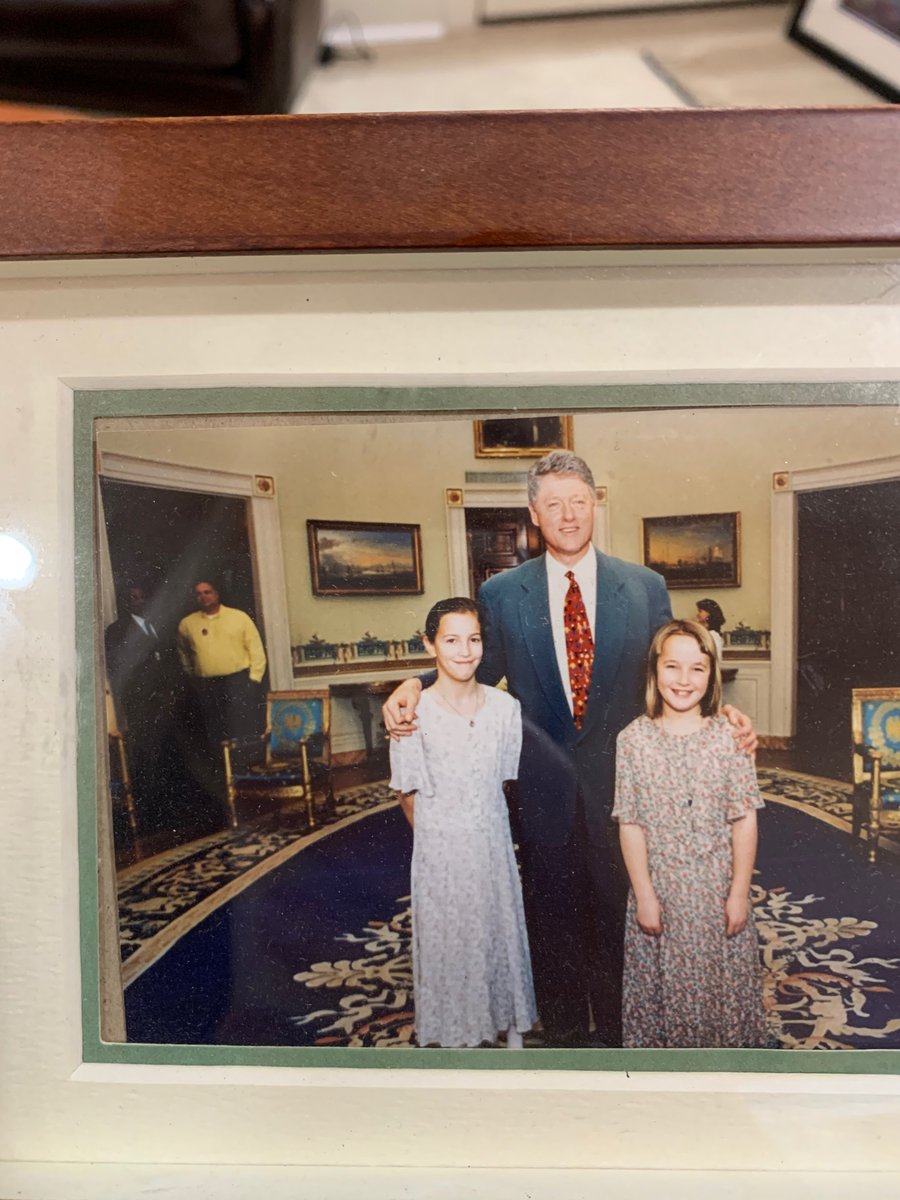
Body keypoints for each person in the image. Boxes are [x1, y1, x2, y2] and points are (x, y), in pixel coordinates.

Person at [384, 450, 756, 1047]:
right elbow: (475, 666)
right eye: (552, 503)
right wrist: (414, 683)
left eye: (578, 501)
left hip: (625, 791)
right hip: (544, 791)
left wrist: (723, 712)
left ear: (595, 505)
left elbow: (667, 674)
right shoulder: (503, 593)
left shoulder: (644, 586)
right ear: (534, 514)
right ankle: (557, 1034)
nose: (567, 514)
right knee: (549, 913)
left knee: (621, 910)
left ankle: (618, 1030)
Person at [390, 597, 536, 1049]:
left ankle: (509, 1026)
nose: (464, 651)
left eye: (473, 640)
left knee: (498, 932)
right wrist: (443, 845)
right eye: (451, 640)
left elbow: (505, 782)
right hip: (441, 851)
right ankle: (456, 1037)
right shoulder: (411, 713)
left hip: (492, 844)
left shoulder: (505, 708)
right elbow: (408, 795)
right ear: (430, 644)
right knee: (452, 943)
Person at [612, 619, 766, 1048]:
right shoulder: (633, 741)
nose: (683, 680)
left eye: (697, 668)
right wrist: (644, 895)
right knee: (664, 994)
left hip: (716, 892)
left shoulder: (729, 737)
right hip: (660, 890)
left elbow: (744, 819)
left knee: (722, 993)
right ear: (654, 671)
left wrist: (738, 892)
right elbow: (631, 823)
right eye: (672, 667)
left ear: (711, 674)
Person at [177, 580, 267, 747]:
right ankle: (221, 769)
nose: (203, 596)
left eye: (207, 592)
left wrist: (253, 679)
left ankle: (243, 766)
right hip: (207, 685)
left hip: (237, 682)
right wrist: (193, 674)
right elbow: (183, 653)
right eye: (198, 594)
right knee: (214, 729)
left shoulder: (239, 617)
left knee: (241, 728)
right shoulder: (187, 624)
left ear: (216, 594)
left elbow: (256, 650)